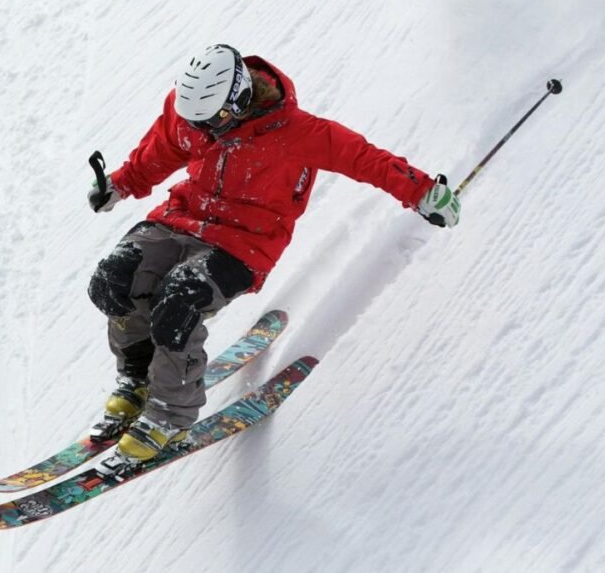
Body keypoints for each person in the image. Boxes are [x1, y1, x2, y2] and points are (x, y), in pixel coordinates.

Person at [85, 44, 460, 474]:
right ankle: (137, 379)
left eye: (212, 121)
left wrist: (423, 191)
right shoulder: (192, 112)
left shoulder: (299, 133)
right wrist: (121, 183)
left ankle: (170, 414)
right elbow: (165, 146)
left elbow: (366, 160)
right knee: (113, 280)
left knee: (178, 302)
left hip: (243, 243)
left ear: (240, 97)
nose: (204, 131)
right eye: (197, 122)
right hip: (183, 219)